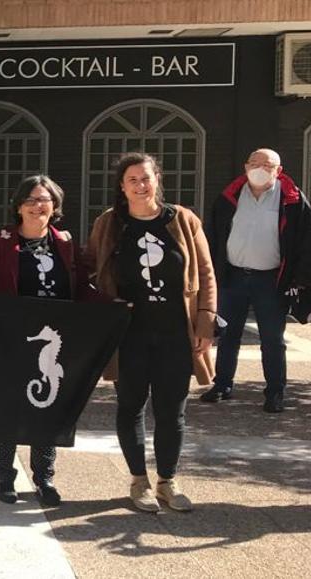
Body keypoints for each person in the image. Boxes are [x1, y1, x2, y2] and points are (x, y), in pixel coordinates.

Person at [0, 175, 100, 507]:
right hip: (10, 339)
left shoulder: (64, 242)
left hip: (51, 339)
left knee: (46, 408)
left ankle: (44, 477)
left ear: (56, 205)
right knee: (6, 409)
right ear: (18, 206)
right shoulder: (2, 241)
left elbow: (79, 289)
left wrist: (112, 305)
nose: (39, 206)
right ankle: (4, 478)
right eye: (31, 200)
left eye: (45, 199)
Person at [86, 152, 216, 513]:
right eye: (132, 180)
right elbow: (88, 268)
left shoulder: (183, 220)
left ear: (157, 179)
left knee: (172, 410)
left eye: (146, 178)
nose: (141, 186)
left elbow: (205, 273)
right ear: (121, 186)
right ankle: (139, 481)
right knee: (130, 406)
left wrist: (205, 322)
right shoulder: (110, 224)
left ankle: (168, 482)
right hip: (130, 334)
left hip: (176, 332)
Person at [201, 148, 311, 413]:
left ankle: (275, 392)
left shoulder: (292, 200)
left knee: (272, 338)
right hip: (233, 277)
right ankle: (222, 384)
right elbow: (212, 236)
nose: (259, 168)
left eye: (267, 165)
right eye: (254, 163)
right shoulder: (228, 198)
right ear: (245, 167)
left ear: (278, 171)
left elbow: (307, 242)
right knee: (228, 334)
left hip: (271, 280)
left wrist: (299, 280)